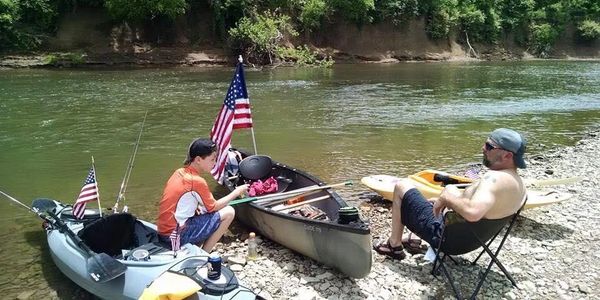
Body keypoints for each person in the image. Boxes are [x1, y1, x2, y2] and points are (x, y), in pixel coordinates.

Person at [374, 128, 527, 259]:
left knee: (402, 186)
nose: (483, 148)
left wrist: (446, 198)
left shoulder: (493, 179)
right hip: (472, 241)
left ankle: (394, 245)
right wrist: (449, 196)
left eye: (489, 146)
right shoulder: (519, 185)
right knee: (451, 189)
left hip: (447, 241)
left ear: (507, 155)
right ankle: (413, 238)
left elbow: (473, 212)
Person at [157, 138, 248, 252]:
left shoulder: (179, 172)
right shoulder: (196, 181)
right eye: (212, 159)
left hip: (163, 232)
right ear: (198, 159)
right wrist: (236, 192)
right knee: (229, 212)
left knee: (202, 211)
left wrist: (196, 208)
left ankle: (194, 249)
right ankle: (204, 254)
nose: (215, 163)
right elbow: (213, 207)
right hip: (175, 236)